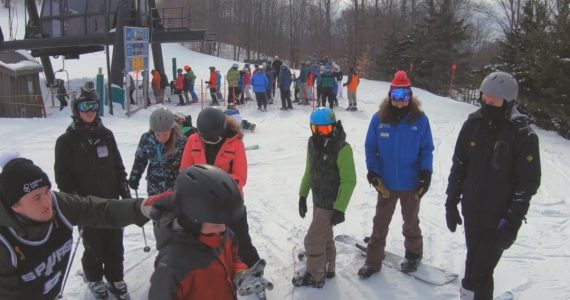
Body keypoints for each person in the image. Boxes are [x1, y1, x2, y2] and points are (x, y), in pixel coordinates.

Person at [445, 71, 541, 300]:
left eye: (494, 102)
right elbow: (459, 165)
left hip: (499, 218)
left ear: (508, 103)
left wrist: (512, 222)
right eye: (484, 99)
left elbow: (528, 183)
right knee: (477, 265)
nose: (487, 104)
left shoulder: (522, 134)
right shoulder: (473, 124)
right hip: (472, 211)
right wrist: (451, 201)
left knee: (476, 273)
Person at [0, 152, 149, 300]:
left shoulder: (57, 204)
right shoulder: (4, 244)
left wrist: (142, 208)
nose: (46, 201)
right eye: (36, 198)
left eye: (46, 192)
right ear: (14, 206)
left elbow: (99, 210)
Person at [147, 165, 273, 299]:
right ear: (192, 220)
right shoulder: (172, 266)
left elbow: (234, 259)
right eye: (216, 224)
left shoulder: (222, 235)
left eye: (224, 223)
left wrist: (239, 275)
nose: (223, 228)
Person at [54, 89, 134, 299]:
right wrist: (74, 201)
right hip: (86, 204)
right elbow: (63, 176)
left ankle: (115, 276)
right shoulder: (66, 141)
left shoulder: (106, 135)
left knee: (115, 241)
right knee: (94, 243)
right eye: (85, 106)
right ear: (76, 109)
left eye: (94, 106)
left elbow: (117, 165)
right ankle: (94, 277)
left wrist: (124, 191)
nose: (90, 111)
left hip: (111, 199)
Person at [358, 70, 434, 278]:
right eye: (396, 97)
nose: (400, 101)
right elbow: (370, 147)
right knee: (380, 223)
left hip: (411, 184)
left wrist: (425, 174)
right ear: (390, 96)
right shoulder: (379, 118)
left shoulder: (420, 120)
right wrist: (374, 172)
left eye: (405, 96)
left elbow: (427, 149)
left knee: (410, 222)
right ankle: (373, 262)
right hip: (387, 184)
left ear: (410, 96)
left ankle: (413, 254)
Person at [179, 107, 261, 268]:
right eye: (205, 138)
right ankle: (210, 271)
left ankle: (253, 268)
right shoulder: (193, 140)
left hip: (229, 201)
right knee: (205, 239)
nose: (208, 142)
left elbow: (241, 177)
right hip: (203, 203)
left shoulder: (235, 143)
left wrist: (215, 181)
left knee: (240, 239)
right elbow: (185, 170)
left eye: (213, 139)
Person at [293, 107, 356, 288]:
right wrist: (302, 196)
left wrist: (340, 208)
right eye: (317, 129)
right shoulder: (312, 143)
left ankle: (315, 275)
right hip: (318, 198)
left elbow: (349, 181)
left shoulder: (343, 149)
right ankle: (329, 266)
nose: (321, 133)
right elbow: (309, 171)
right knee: (325, 236)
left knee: (313, 239)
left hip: (332, 202)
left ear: (334, 126)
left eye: (326, 129)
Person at [128, 108, 187, 197]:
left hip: (175, 187)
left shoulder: (181, 141)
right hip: (154, 186)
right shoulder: (147, 139)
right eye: (158, 134)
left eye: (165, 134)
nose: (161, 138)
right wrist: (134, 177)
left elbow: (186, 164)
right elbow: (140, 160)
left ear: (171, 130)